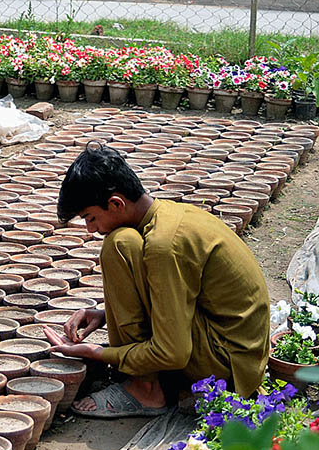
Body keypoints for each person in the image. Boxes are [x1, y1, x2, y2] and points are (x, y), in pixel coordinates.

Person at [42, 143, 270, 418]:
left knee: (117, 244)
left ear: (116, 203)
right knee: (123, 242)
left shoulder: (164, 245)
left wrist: (97, 353)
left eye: (90, 218)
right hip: (233, 345)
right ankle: (149, 382)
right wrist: (106, 314)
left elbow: (172, 353)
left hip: (228, 366)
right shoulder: (166, 215)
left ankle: (146, 389)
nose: (91, 229)